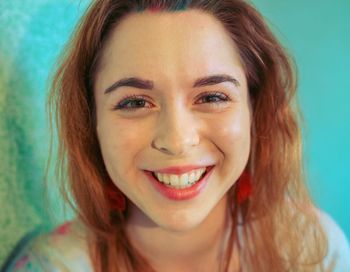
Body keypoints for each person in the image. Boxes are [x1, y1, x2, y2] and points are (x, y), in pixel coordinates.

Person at [4, 0, 350, 271]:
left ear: (253, 111)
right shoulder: (52, 266)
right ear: (92, 122)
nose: (177, 139)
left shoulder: (315, 250)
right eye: (136, 102)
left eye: (212, 97)